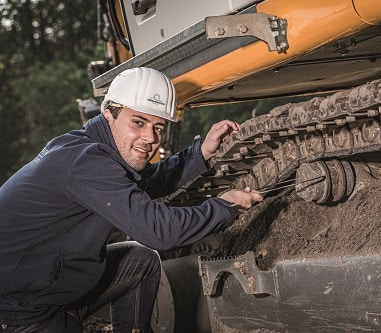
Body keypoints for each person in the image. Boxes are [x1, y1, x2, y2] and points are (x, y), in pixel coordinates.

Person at [0, 67, 263, 332]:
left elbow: (143, 183)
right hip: (21, 316)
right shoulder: (84, 163)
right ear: (108, 115)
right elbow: (159, 231)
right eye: (138, 122)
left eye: (158, 127)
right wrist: (225, 206)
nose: (150, 138)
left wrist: (201, 154)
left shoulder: (87, 148)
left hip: (53, 294)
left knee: (140, 260)